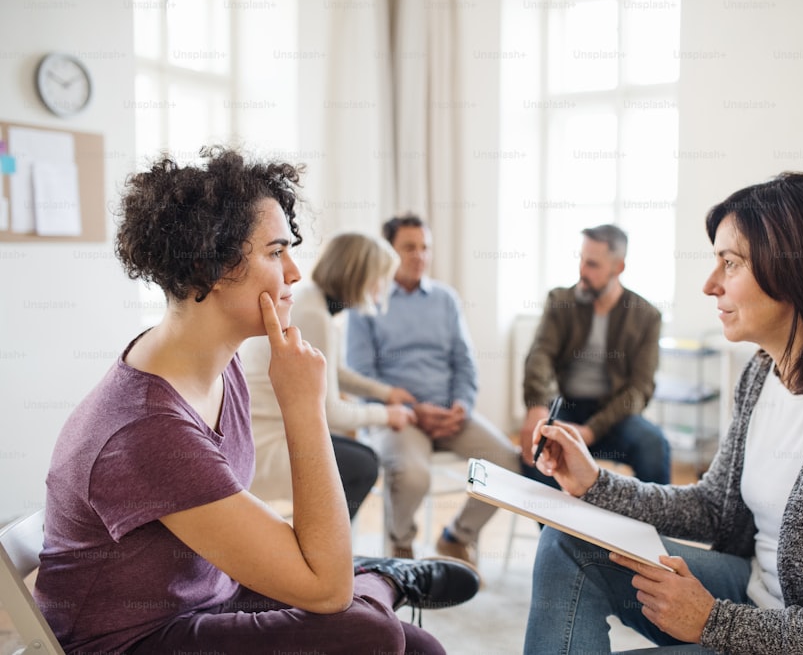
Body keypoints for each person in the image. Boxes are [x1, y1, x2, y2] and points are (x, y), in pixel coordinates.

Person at [33, 148, 479, 655]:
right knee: (371, 632)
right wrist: (304, 407)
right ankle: (382, 579)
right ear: (212, 267)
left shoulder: (221, 368)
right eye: (275, 252)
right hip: (132, 640)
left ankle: (373, 576)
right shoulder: (146, 429)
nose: (294, 272)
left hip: (207, 596)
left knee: (419, 647)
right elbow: (327, 590)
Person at [523, 172, 803, 654]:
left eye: (729, 264)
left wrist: (713, 621)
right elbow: (717, 508)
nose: (709, 285)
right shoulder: (764, 371)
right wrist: (595, 485)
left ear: (794, 272)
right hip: (759, 601)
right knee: (565, 543)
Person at [346, 213, 521, 563]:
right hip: (398, 418)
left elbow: (465, 362)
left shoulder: (446, 299)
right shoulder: (366, 301)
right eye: (409, 247)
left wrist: (462, 405)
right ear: (388, 251)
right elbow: (361, 376)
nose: (419, 255)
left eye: (425, 247)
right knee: (413, 476)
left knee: (508, 465)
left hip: (449, 414)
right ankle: (401, 544)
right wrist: (412, 412)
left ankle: (457, 536)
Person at [241, 232, 418, 519]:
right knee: (362, 467)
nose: (380, 288)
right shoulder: (315, 316)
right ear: (358, 277)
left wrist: (385, 394)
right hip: (266, 444)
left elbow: (331, 370)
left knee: (364, 456)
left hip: (274, 430)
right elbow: (332, 413)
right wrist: (387, 415)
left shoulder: (311, 302)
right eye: (378, 279)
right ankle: (324, 549)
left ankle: (326, 545)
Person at [518, 224, 671, 488]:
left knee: (654, 445)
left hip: (615, 415)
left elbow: (639, 388)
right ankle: (559, 530)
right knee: (539, 450)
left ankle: (651, 530)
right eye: (581, 260)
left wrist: (591, 431)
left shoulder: (646, 317)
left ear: (618, 267)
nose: (582, 271)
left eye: (593, 264)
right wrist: (536, 406)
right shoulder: (560, 301)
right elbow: (540, 355)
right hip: (567, 407)